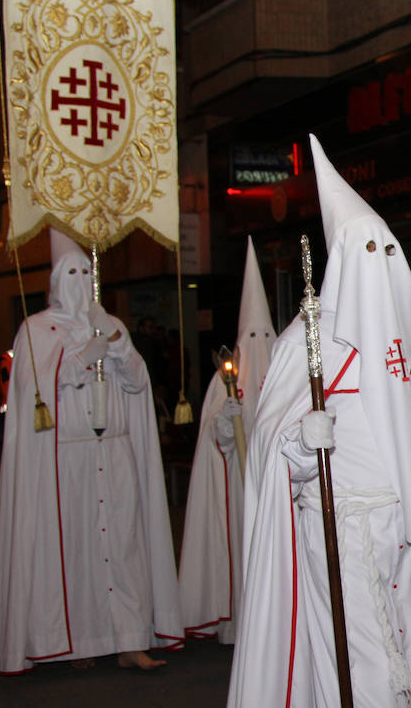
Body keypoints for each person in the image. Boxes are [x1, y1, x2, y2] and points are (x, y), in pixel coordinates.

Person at [227, 135, 411, 707]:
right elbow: (271, 445)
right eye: (367, 250)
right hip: (343, 527)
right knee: (366, 666)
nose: (380, 262)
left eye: (387, 249)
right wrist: (300, 444)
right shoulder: (308, 341)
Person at [0, 228, 183, 674]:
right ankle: (79, 641)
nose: (79, 278)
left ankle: (129, 638)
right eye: (70, 271)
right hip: (65, 457)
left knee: (122, 544)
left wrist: (119, 348)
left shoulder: (110, 322)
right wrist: (77, 359)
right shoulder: (35, 330)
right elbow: (32, 390)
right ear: (54, 280)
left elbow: (137, 383)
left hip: (113, 451)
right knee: (77, 548)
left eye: (86, 271)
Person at [179, 236, 276, 643]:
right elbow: (213, 439)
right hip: (240, 484)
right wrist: (226, 421)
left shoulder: (283, 372)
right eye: (252, 337)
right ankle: (241, 620)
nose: (260, 345)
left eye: (265, 336)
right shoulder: (226, 379)